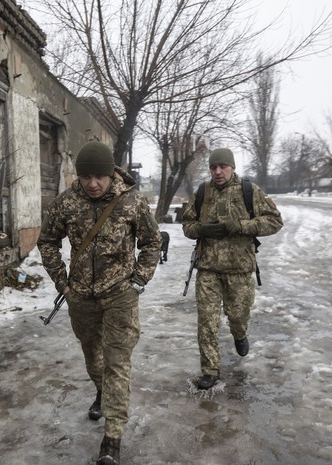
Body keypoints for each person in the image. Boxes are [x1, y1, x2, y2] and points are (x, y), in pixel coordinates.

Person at [37, 141, 162, 465]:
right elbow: (48, 240)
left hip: (120, 295)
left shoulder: (131, 201)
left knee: (116, 362)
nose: (93, 183)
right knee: (93, 356)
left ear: (110, 175)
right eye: (86, 177)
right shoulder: (66, 202)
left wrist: (139, 280)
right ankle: (102, 393)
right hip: (81, 296)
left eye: (99, 177)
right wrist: (62, 282)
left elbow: (152, 241)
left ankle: (112, 438)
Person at [181, 148, 283, 390]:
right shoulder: (202, 193)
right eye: (213, 167)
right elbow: (187, 225)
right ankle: (210, 370)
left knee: (238, 316)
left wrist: (242, 226)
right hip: (208, 269)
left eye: (223, 167)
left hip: (239, 269)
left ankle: (239, 334)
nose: (218, 172)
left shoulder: (250, 191)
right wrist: (202, 230)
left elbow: (275, 221)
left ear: (232, 167)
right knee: (207, 321)